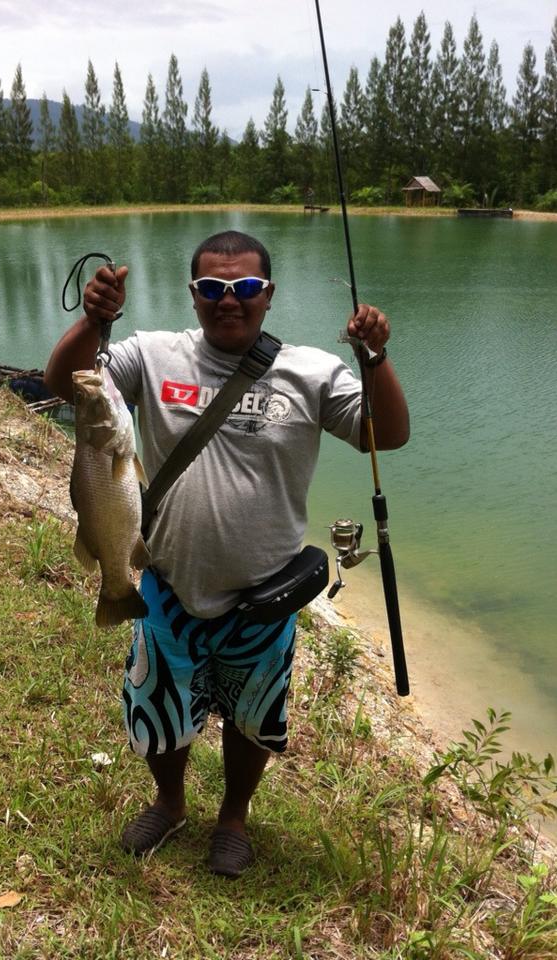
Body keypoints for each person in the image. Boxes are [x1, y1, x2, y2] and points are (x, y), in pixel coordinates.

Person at [44, 230, 409, 877]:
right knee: (159, 707)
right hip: (165, 585)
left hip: (262, 596)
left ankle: (233, 817)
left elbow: (386, 434)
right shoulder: (152, 355)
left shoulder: (312, 371)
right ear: (193, 294)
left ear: (267, 294)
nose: (228, 300)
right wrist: (94, 321)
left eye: (243, 288)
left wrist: (374, 360)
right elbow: (63, 383)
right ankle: (170, 801)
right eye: (212, 288)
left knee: (251, 718)